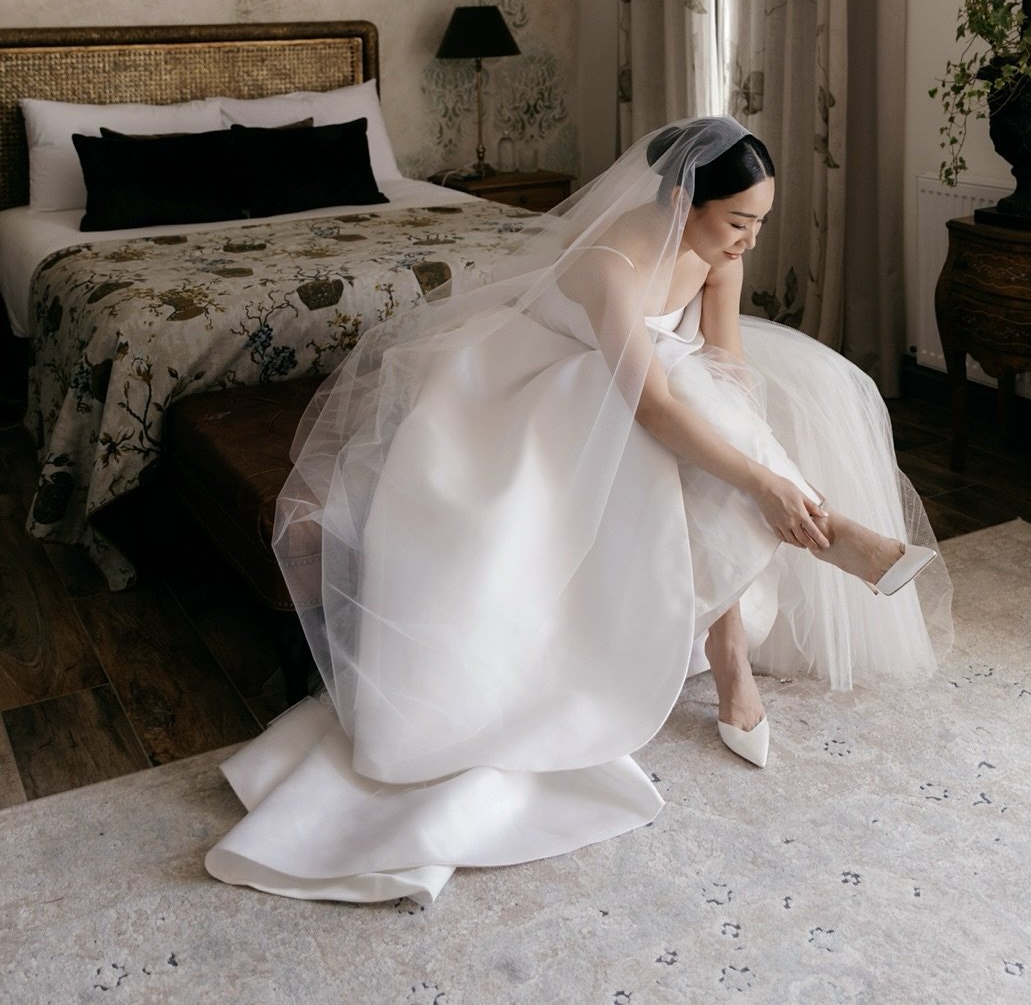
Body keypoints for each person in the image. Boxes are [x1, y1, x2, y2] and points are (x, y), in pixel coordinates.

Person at [205, 116, 952, 905]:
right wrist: (764, 486)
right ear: (680, 202)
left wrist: (753, 452)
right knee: (670, 430)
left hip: (644, 387)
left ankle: (738, 644)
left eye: (760, 223)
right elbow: (651, 404)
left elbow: (724, 365)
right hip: (530, 392)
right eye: (739, 222)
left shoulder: (716, 256)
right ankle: (811, 559)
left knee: (715, 412)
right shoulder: (612, 260)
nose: (750, 242)